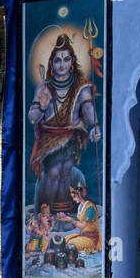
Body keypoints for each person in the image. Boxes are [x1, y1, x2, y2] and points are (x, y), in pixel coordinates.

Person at [28, 34, 100, 213]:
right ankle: (47, 214)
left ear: (72, 61)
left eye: (66, 59)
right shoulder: (44, 87)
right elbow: (32, 117)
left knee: (65, 174)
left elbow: (88, 109)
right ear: (51, 63)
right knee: (52, 174)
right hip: (49, 140)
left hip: (69, 137)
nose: (62, 64)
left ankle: (63, 213)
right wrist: (42, 106)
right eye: (58, 60)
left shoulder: (80, 86)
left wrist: (95, 126)